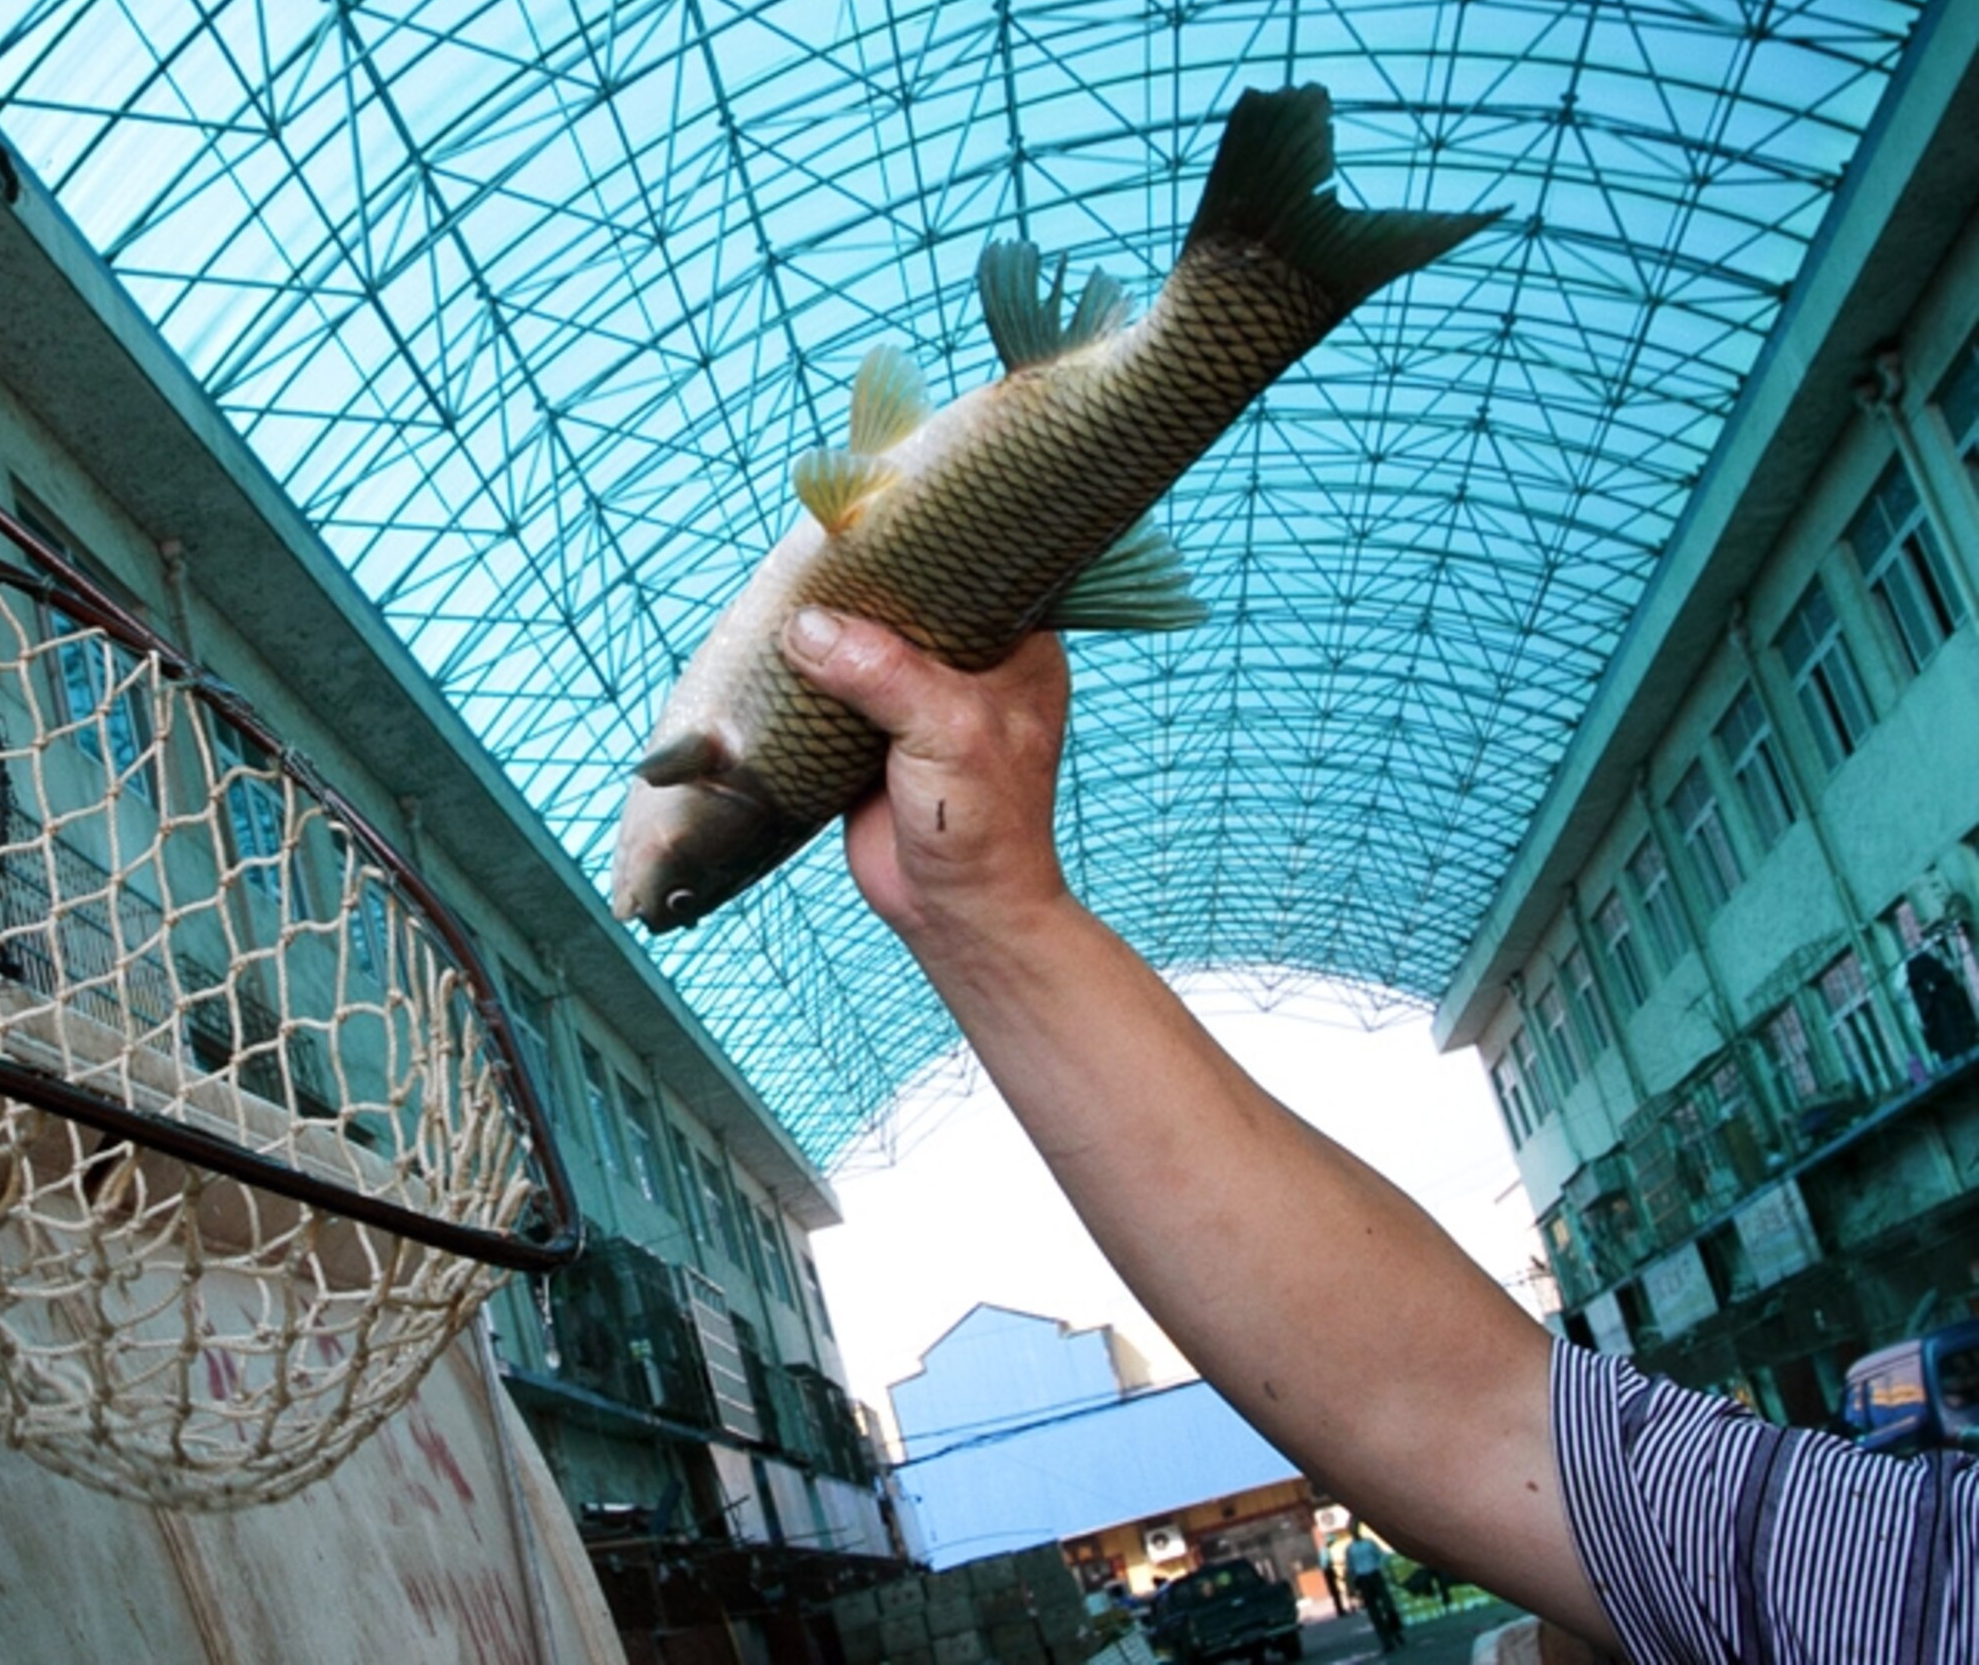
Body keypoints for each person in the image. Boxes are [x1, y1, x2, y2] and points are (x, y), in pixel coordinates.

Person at [775, 606, 1979, 1665]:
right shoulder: (1924, 1581)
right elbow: (1481, 1429)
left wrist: (993, 910)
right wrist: (987, 906)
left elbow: (1485, 1430)